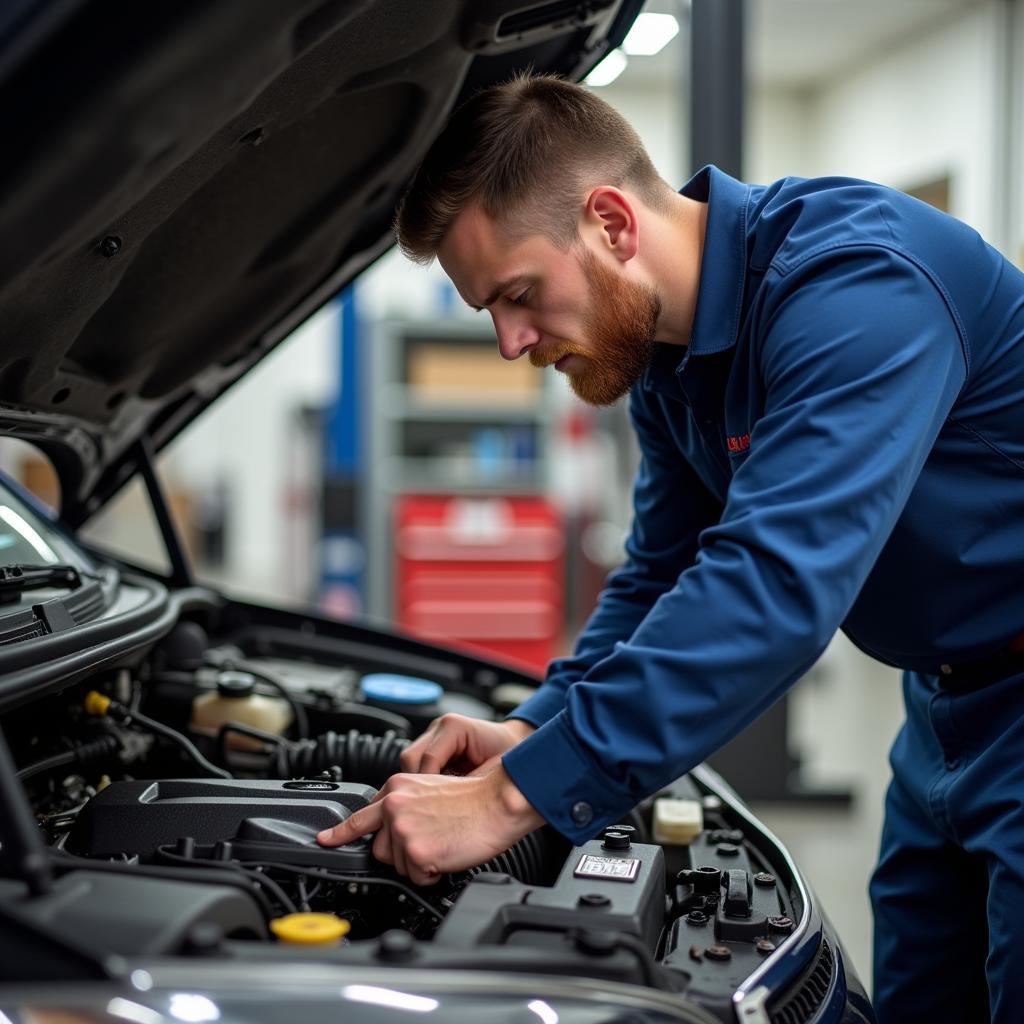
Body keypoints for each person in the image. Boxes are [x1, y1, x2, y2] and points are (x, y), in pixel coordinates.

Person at [317, 74, 1024, 1023]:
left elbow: (772, 587)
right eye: (489, 310)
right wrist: (535, 727)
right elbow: (661, 572)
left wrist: (511, 799)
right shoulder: (664, 360)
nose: (509, 342)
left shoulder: (859, 285)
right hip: (942, 708)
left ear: (611, 222)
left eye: (518, 295)